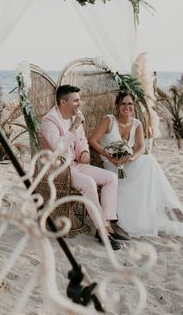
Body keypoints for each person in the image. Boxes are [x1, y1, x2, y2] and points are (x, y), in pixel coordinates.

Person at [88, 91, 183, 238]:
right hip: (112, 166)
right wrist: (109, 157)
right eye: (124, 104)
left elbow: (141, 148)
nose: (127, 107)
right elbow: (92, 141)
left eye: (130, 104)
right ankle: (170, 208)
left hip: (128, 164)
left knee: (148, 160)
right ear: (117, 106)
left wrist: (132, 158)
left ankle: (171, 207)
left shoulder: (137, 124)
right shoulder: (109, 120)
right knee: (149, 163)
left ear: (134, 106)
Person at [38, 85, 128, 250]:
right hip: (57, 169)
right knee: (88, 183)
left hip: (75, 164)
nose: (80, 103)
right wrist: (75, 125)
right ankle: (102, 231)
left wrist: (85, 151)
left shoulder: (74, 118)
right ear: (63, 102)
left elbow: (82, 139)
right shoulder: (49, 121)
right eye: (76, 100)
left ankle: (107, 226)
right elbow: (58, 147)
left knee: (111, 178)